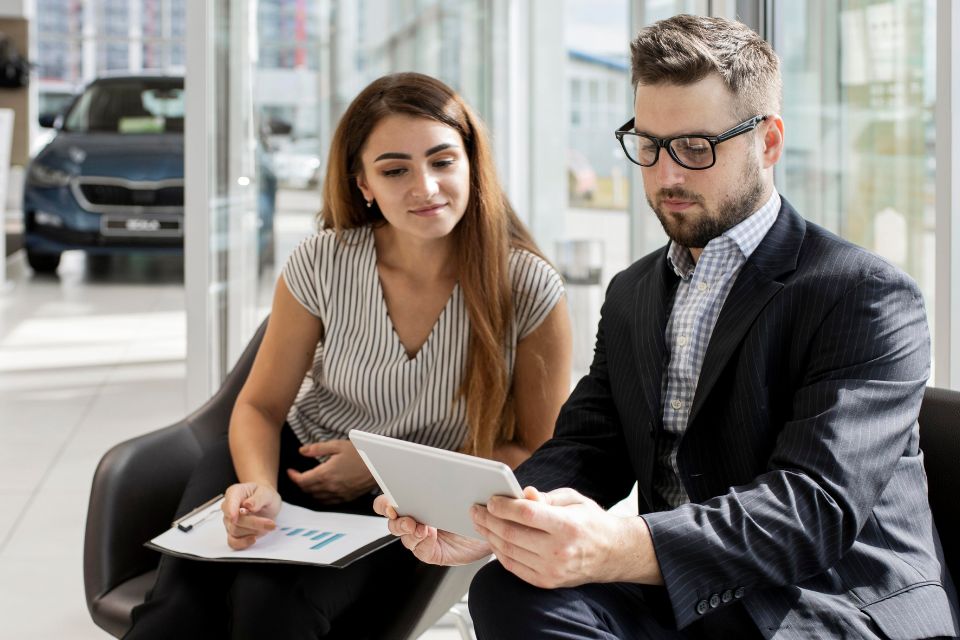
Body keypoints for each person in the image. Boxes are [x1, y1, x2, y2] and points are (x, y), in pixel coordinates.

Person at [376, 15, 960, 640]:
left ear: (768, 142)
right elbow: (588, 448)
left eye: (695, 148)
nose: (667, 175)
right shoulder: (633, 292)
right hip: (689, 598)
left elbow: (811, 510)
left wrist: (619, 546)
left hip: (830, 599)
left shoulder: (863, 293)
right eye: (649, 145)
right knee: (510, 591)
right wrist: (489, 522)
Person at [124, 71, 572, 640]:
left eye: (442, 161)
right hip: (288, 460)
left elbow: (537, 448)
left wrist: (383, 469)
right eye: (395, 170)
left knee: (271, 608)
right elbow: (260, 407)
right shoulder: (322, 262)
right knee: (177, 610)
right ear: (363, 183)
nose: (425, 187)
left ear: (471, 164)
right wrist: (258, 485)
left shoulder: (529, 288)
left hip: (409, 504)